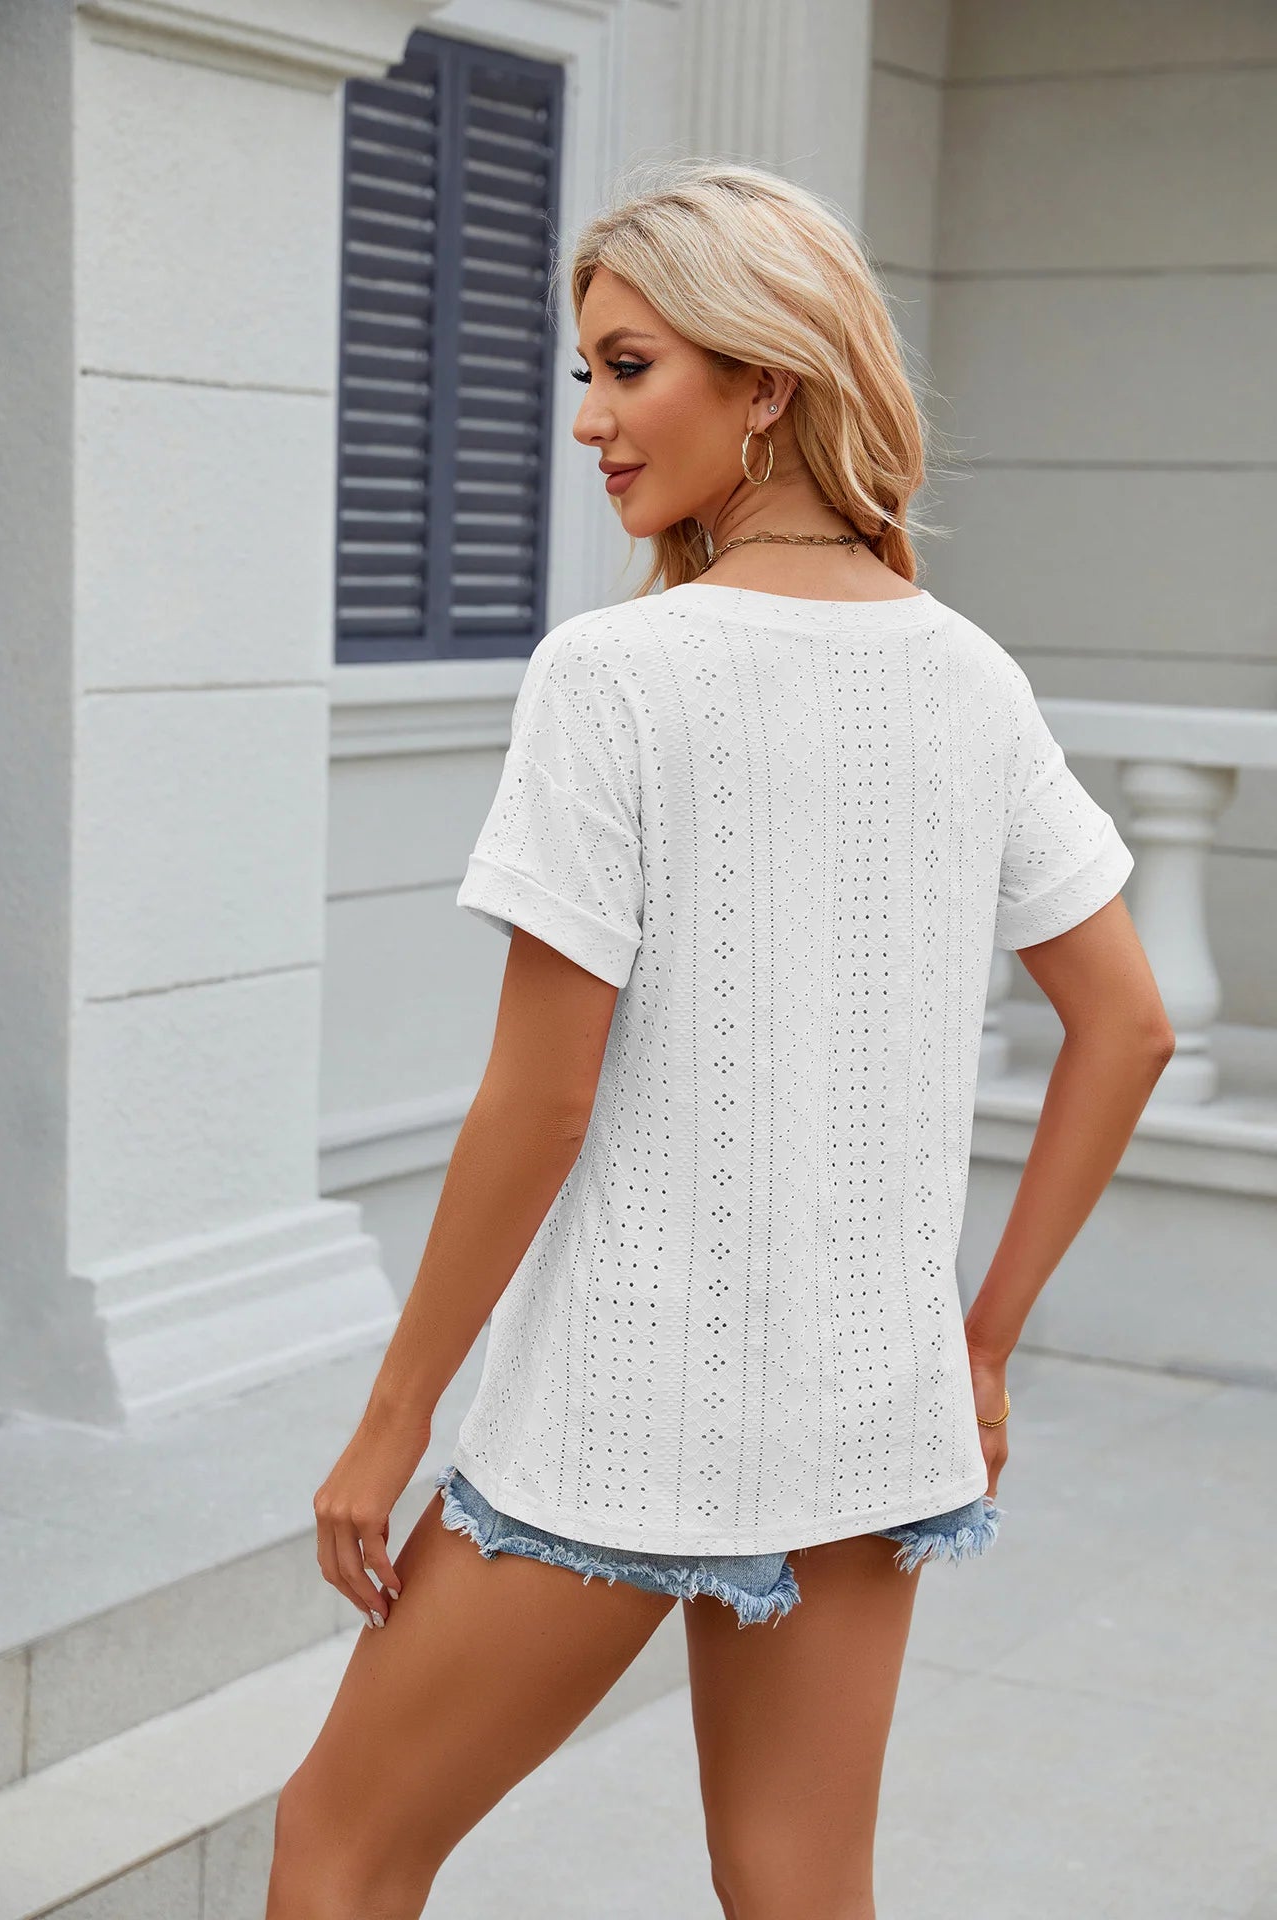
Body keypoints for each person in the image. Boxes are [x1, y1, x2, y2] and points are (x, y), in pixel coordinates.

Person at [265, 159, 1173, 1920]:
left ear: (766, 381)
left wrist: (392, 1421)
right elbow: (1126, 1028)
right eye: (586, 375)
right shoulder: (972, 676)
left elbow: (541, 1096)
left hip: (625, 1410)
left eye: (630, 367)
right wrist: (978, 1353)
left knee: (338, 1848)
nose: (589, 422)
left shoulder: (615, 675)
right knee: (799, 1883)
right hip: (870, 1417)